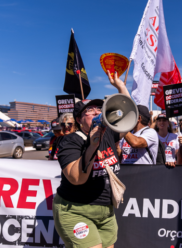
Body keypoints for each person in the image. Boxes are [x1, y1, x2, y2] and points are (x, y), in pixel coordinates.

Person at [53, 71, 129, 248]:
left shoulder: (109, 133)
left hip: (105, 212)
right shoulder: (69, 141)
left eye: (98, 109)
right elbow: (76, 178)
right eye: (90, 110)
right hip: (76, 210)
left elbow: (127, 116)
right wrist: (92, 145)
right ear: (79, 119)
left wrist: (120, 87)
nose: (96, 112)